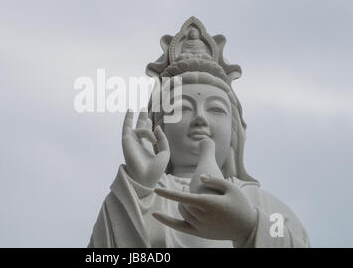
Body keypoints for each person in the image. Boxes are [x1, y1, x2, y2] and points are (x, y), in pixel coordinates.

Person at [88, 17, 310, 248]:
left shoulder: (266, 208)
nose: (200, 119)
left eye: (215, 109)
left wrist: (249, 228)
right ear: (159, 128)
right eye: (182, 108)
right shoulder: (141, 197)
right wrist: (137, 192)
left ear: (235, 132)